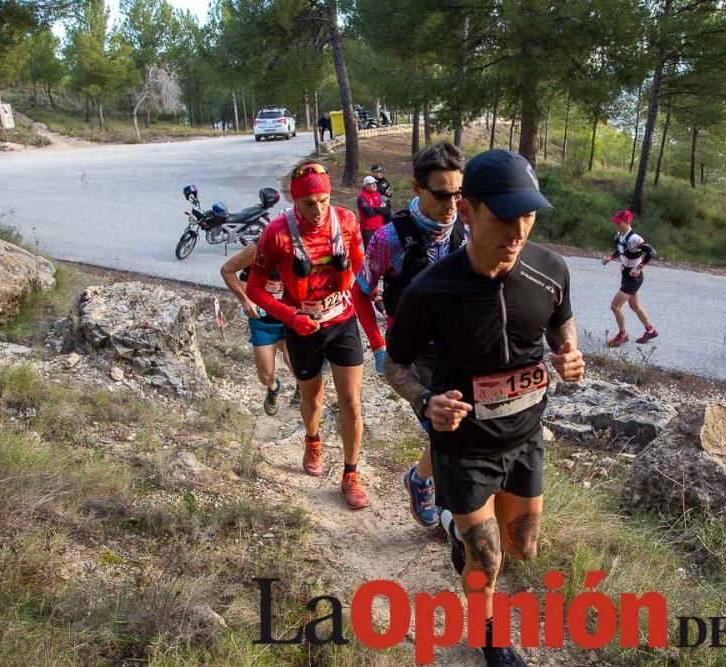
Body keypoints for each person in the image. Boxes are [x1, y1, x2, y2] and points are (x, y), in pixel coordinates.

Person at [384, 149, 585, 667]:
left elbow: (562, 321)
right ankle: (489, 636)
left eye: (529, 216)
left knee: (523, 547)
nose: (519, 231)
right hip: (464, 444)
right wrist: (427, 402)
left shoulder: (549, 268)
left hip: (524, 436)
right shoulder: (431, 290)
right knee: (488, 559)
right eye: (504, 217)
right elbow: (395, 364)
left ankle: (459, 531)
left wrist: (568, 352)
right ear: (469, 212)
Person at [352, 143, 466, 527]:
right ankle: (447, 508)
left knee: (463, 426)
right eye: (441, 194)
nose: (451, 204)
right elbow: (360, 292)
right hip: (411, 351)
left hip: (453, 346)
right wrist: (379, 346)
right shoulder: (389, 239)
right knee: (444, 428)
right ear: (417, 188)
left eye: (458, 193)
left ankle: (419, 478)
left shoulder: (463, 232)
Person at [244, 163, 370, 509]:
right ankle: (313, 440)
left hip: (341, 320)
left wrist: (361, 294)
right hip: (301, 327)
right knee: (312, 399)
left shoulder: (345, 221)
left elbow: (359, 263)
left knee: (352, 402)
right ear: (294, 201)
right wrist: (291, 316)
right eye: (309, 204)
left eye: (324, 200)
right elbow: (254, 288)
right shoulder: (276, 234)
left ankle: (350, 474)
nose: (318, 211)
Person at [220, 243, 299, 416]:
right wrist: (245, 300)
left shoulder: (305, 248)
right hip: (263, 321)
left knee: (294, 361)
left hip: (290, 318)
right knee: (265, 376)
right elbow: (229, 271)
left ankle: (302, 386)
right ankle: (273, 388)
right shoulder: (259, 248)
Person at [601, 209, 658, 347]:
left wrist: (639, 267)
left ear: (627, 222)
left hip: (634, 278)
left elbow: (651, 252)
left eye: (619, 223)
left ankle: (623, 335)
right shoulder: (621, 235)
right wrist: (611, 258)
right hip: (626, 274)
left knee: (615, 306)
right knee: (635, 306)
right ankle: (650, 330)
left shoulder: (635, 239)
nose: (617, 225)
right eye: (616, 222)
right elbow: (620, 250)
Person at [356, 175, 389, 249]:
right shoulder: (362, 197)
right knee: (369, 251)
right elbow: (368, 213)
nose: (374, 185)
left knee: (380, 250)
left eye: (375, 183)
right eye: (372, 183)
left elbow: (386, 210)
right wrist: (380, 209)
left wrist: (374, 208)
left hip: (380, 228)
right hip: (368, 230)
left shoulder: (378, 194)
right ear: (366, 185)